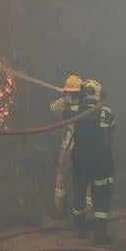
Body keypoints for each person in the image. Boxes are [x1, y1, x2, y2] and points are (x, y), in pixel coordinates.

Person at [71, 80, 116, 243]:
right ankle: (100, 234)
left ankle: (80, 230)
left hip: (80, 160)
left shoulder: (75, 111)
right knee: (102, 195)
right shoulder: (107, 112)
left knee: (79, 193)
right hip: (101, 162)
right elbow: (112, 128)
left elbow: (55, 110)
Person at [50, 74, 83, 218]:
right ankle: (73, 210)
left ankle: (61, 210)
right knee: (79, 179)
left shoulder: (69, 109)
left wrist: (64, 99)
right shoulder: (86, 106)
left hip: (70, 148)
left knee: (62, 177)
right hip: (82, 148)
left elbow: (53, 108)